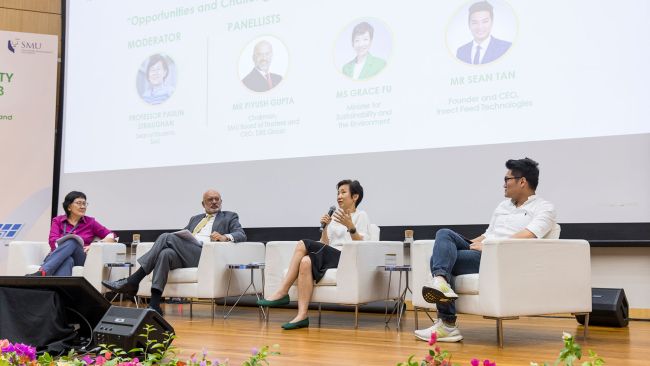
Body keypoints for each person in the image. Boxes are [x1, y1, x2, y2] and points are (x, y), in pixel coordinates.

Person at [414, 158, 556, 342]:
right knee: (444, 235)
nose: (503, 184)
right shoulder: (503, 206)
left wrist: (488, 246)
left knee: (437, 259)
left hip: (499, 256)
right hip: (483, 250)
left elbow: (529, 235)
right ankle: (441, 281)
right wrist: (467, 244)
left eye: (507, 179)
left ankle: (447, 323)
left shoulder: (544, 208)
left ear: (522, 181)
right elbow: (488, 233)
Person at [102, 189, 246, 315]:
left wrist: (225, 237)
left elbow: (241, 234)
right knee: (165, 254)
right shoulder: (195, 219)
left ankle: (134, 280)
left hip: (204, 255)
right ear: (203, 204)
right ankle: (154, 305)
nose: (214, 202)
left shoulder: (230, 216)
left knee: (166, 237)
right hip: (188, 253)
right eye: (210, 200)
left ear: (221, 201)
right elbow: (183, 235)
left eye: (217, 199)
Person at [257, 179, 371, 330]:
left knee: (302, 243)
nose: (339, 196)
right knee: (305, 262)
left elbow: (363, 244)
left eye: (343, 192)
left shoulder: (361, 215)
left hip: (346, 257)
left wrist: (350, 226)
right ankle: (302, 316)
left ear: (355, 197)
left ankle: (283, 291)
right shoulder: (335, 218)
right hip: (330, 256)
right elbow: (324, 244)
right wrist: (326, 228)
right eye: (338, 193)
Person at [27, 191, 116, 276]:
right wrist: (64, 250)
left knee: (73, 241)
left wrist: (95, 245)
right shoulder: (58, 221)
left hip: (80, 257)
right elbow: (52, 241)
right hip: (59, 255)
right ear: (69, 207)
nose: (83, 206)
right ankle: (60, 291)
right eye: (79, 203)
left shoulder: (90, 222)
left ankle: (43, 272)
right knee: (67, 260)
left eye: (84, 203)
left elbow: (112, 236)